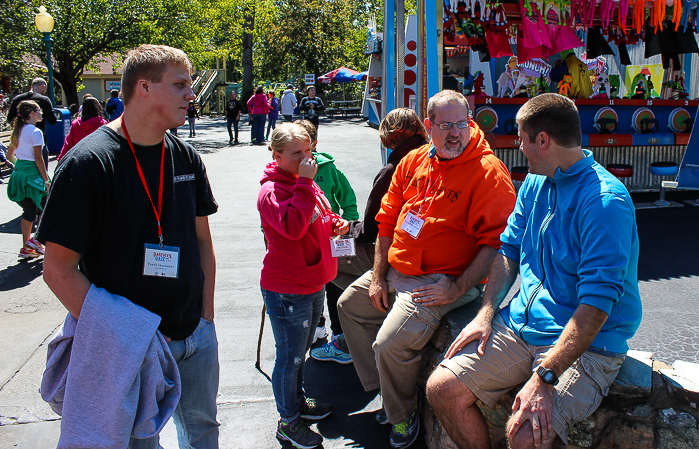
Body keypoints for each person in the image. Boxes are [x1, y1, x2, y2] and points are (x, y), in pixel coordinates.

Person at [425, 93, 642, 449]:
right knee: (441, 389)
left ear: (543, 140)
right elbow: (509, 250)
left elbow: (595, 310)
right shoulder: (537, 181)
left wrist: (545, 376)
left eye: (522, 139)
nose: (519, 147)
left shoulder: (604, 202)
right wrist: (486, 312)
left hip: (588, 345)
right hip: (523, 326)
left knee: (525, 434)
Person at [38, 44, 220, 448]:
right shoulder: (89, 163)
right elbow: (57, 270)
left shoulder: (187, 158)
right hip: (130, 348)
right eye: (180, 85)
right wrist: (125, 333)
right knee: (139, 443)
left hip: (194, 335)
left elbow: (202, 241)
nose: (191, 95)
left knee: (203, 433)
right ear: (144, 87)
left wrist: (205, 316)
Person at [337, 90, 516, 448]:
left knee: (388, 344)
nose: (455, 133)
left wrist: (455, 288)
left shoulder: (487, 173)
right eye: (445, 125)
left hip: (440, 280)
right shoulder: (413, 160)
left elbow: (496, 245)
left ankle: (403, 414)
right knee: (348, 306)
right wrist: (376, 274)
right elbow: (385, 221)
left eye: (462, 124)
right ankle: (389, 395)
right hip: (398, 270)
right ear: (428, 126)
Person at [311, 108, 428, 365]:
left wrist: (345, 228)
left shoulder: (393, 169)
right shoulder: (431, 157)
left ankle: (346, 339)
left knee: (326, 256)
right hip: (423, 253)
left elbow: (372, 229)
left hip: (393, 252)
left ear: (389, 135)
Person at [257, 122, 349, 449]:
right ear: (277, 155)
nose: (307, 159)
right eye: (297, 153)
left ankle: (297, 404)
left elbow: (316, 217)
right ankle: (288, 422)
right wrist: (306, 183)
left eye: (308, 151)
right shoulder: (274, 190)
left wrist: (334, 224)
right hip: (288, 288)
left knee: (299, 353)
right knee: (290, 357)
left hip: (310, 282)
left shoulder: (301, 181)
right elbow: (294, 228)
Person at [294, 119, 359, 346]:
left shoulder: (329, 168)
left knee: (334, 287)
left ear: (314, 144)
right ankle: (317, 327)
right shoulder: (289, 171)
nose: (302, 153)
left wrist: (347, 228)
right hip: (303, 242)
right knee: (311, 289)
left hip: (331, 241)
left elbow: (348, 201)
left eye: (307, 146)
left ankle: (339, 333)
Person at [5, 100, 49, 259]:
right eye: (39, 110)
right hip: (33, 175)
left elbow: (10, 156)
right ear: (31, 113)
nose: (41, 112)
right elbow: (38, 158)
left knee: (29, 211)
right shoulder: (36, 132)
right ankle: (37, 240)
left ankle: (27, 246)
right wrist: (46, 180)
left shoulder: (18, 130)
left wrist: (20, 166)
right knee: (46, 207)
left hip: (19, 174)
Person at [6, 78, 57, 171]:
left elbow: (10, 119)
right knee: (40, 168)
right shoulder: (44, 100)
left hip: (20, 138)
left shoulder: (18, 99)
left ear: (31, 86)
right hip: (38, 139)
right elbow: (52, 121)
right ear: (43, 87)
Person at [58, 97, 107, 161]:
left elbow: (68, 143)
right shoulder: (102, 123)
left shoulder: (75, 124)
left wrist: (61, 159)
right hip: (96, 159)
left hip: (79, 158)